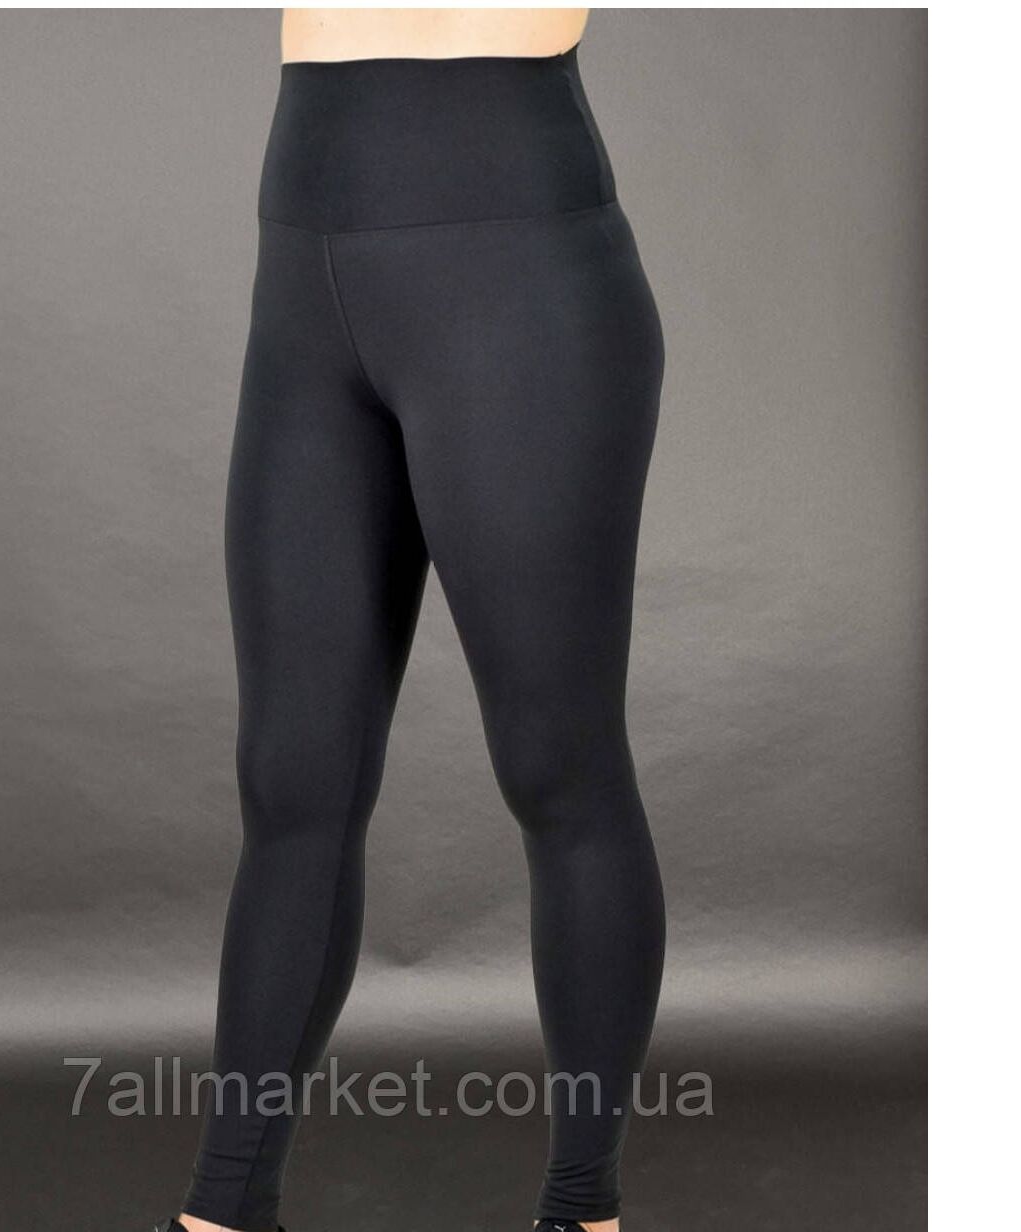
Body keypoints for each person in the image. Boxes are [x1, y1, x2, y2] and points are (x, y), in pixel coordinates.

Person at [157, 9, 666, 1231]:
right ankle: (224, 1213)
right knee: (294, 779)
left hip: (518, 276)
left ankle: (582, 1209)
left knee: (558, 767)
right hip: (302, 291)